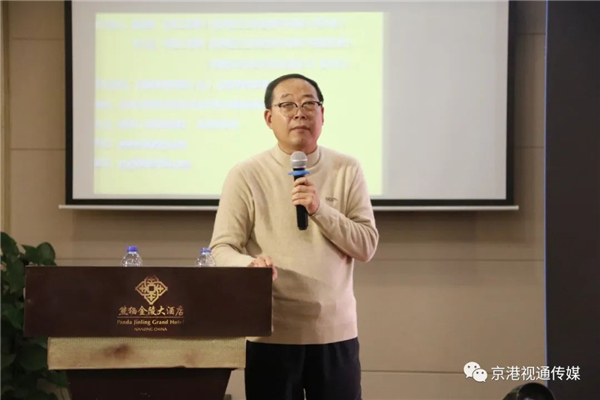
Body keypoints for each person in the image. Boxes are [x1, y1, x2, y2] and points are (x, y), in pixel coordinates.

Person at [209, 73, 379, 400]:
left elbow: (366, 245)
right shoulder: (246, 174)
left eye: (308, 104)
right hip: (271, 335)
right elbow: (222, 247)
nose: (299, 113)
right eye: (287, 105)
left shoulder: (347, 169)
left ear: (322, 114)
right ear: (269, 118)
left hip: (334, 333)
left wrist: (320, 209)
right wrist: (249, 265)